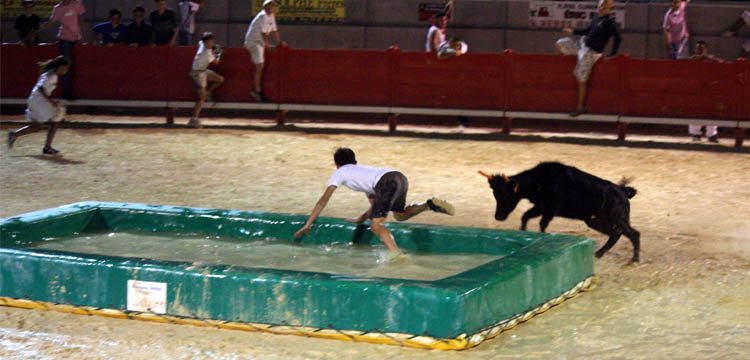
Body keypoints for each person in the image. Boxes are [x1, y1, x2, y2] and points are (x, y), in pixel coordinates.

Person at [294, 148, 456, 256]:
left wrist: (308, 224)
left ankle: (396, 255)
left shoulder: (341, 172)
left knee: (376, 226)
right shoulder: (363, 171)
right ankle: (428, 204)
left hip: (386, 183)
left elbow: (323, 200)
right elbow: (375, 206)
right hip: (398, 177)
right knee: (400, 216)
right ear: (354, 160)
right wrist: (360, 219)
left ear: (337, 164)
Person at [556, 0, 621, 117]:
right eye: (601, 4)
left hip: (592, 52)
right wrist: (573, 31)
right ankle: (559, 68)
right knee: (560, 43)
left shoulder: (609, 23)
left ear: (609, 9)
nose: (602, 7)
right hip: (582, 44)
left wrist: (613, 54)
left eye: (606, 6)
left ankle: (580, 107)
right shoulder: (596, 16)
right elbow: (587, 30)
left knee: (581, 79)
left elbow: (618, 38)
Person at [7, 56, 69, 155]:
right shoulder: (53, 76)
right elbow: (41, 88)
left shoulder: (47, 73)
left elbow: (40, 87)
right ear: (60, 67)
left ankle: (14, 134)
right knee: (56, 120)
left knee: (37, 126)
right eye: (65, 68)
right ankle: (47, 147)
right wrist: (51, 101)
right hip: (39, 100)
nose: (66, 70)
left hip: (33, 99)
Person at [36, 0, 85, 100]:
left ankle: (68, 92)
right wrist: (37, 29)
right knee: (66, 65)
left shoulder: (76, 3)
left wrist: (82, 35)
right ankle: (66, 92)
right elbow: (50, 23)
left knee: (73, 65)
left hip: (75, 38)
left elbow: (80, 20)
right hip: (65, 39)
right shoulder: (58, 8)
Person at [245, 0, 282, 103]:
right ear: (265, 6)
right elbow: (264, 33)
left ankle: (256, 89)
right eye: (270, 5)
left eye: (273, 5)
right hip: (254, 41)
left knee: (260, 65)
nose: (272, 7)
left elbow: (275, 30)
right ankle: (257, 90)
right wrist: (267, 45)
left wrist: (279, 42)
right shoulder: (263, 16)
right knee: (260, 65)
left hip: (259, 42)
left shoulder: (271, 15)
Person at [686, 41, 721, 143]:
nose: (700, 51)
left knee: (711, 112)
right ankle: (696, 134)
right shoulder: (692, 60)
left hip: (710, 89)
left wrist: (709, 58)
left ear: (706, 50)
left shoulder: (711, 60)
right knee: (695, 111)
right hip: (696, 90)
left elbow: (722, 64)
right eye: (698, 49)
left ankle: (711, 135)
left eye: (702, 48)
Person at [188, 32, 225, 128]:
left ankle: (208, 92)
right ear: (206, 42)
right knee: (202, 98)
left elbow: (201, 40)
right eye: (211, 41)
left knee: (220, 79)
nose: (212, 43)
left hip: (202, 70)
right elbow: (216, 62)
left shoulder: (202, 44)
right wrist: (219, 53)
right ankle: (194, 119)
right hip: (198, 74)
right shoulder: (207, 53)